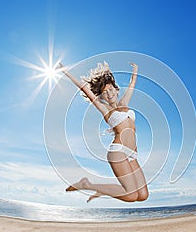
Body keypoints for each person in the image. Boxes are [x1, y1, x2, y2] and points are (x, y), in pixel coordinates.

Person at [58, 61, 149, 203]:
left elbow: (132, 84)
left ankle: (103, 190)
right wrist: (66, 72)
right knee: (131, 196)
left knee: (143, 195)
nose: (109, 93)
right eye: (105, 92)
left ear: (117, 90)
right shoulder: (105, 109)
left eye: (111, 89)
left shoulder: (124, 103)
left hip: (133, 155)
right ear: (101, 97)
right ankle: (87, 184)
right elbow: (84, 89)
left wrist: (136, 70)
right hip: (118, 151)